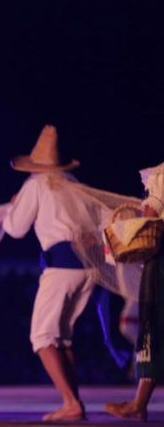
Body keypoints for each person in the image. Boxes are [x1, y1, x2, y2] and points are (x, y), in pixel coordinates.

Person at [2, 125, 94, 422]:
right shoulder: (73, 182)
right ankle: (74, 401)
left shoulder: (37, 184)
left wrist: (14, 206)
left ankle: (70, 402)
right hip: (89, 268)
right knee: (62, 338)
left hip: (61, 265)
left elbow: (15, 229)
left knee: (42, 337)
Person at [105, 162, 164, 421]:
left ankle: (139, 403)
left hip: (162, 257)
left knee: (152, 327)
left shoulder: (161, 176)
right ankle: (139, 402)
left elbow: (152, 211)